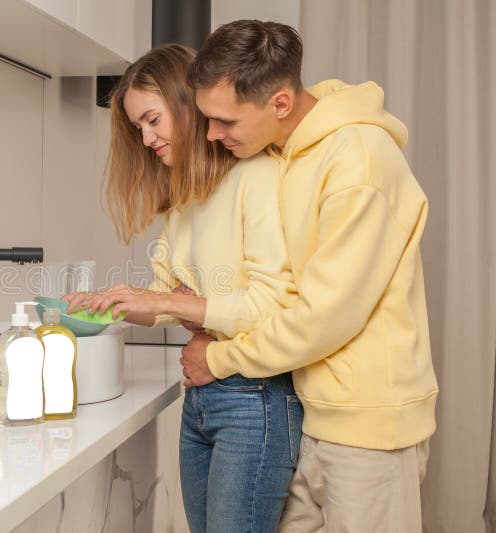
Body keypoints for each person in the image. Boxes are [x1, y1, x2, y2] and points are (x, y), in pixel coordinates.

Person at [180, 20, 438, 532]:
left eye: (226, 121)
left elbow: (325, 316)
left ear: (279, 103)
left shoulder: (359, 161)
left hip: (369, 426)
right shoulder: (285, 153)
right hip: (310, 409)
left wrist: (219, 357)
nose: (212, 134)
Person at [62, 43, 303, 533]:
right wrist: (112, 305)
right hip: (200, 398)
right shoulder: (183, 199)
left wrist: (165, 300)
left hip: (254, 399)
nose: (147, 138)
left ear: (187, 104)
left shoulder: (256, 176)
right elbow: (170, 303)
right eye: (138, 128)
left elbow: (271, 305)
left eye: (152, 120)